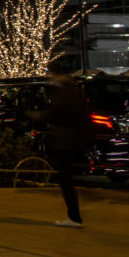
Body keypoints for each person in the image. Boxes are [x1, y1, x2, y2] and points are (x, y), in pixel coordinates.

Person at [31, 60, 91, 228]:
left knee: (65, 178)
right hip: (74, 138)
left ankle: (74, 216)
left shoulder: (64, 93)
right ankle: (74, 216)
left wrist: (38, 116)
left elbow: (57, 115)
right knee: (66, 177)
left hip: (66, 139)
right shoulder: (75, 89)